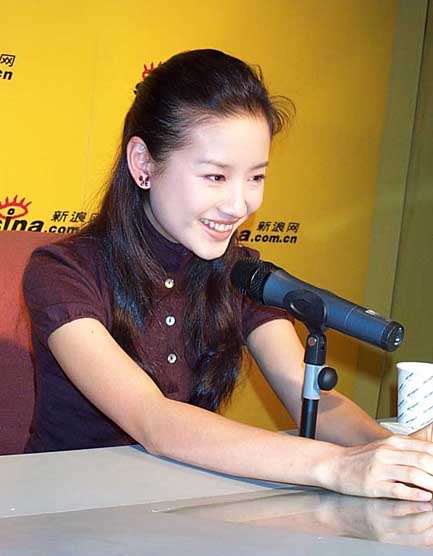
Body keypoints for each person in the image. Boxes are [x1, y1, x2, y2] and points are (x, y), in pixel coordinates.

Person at [23, 49, 433, 502]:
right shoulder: (62, 273)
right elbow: (154, 420)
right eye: (216, 177)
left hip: (176, 509)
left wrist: (404, 457)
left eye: (255, 178)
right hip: (63, 512)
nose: (239, 206)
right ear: (143, 164)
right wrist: (336, 466)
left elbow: (303, 389)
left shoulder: (241, 273)